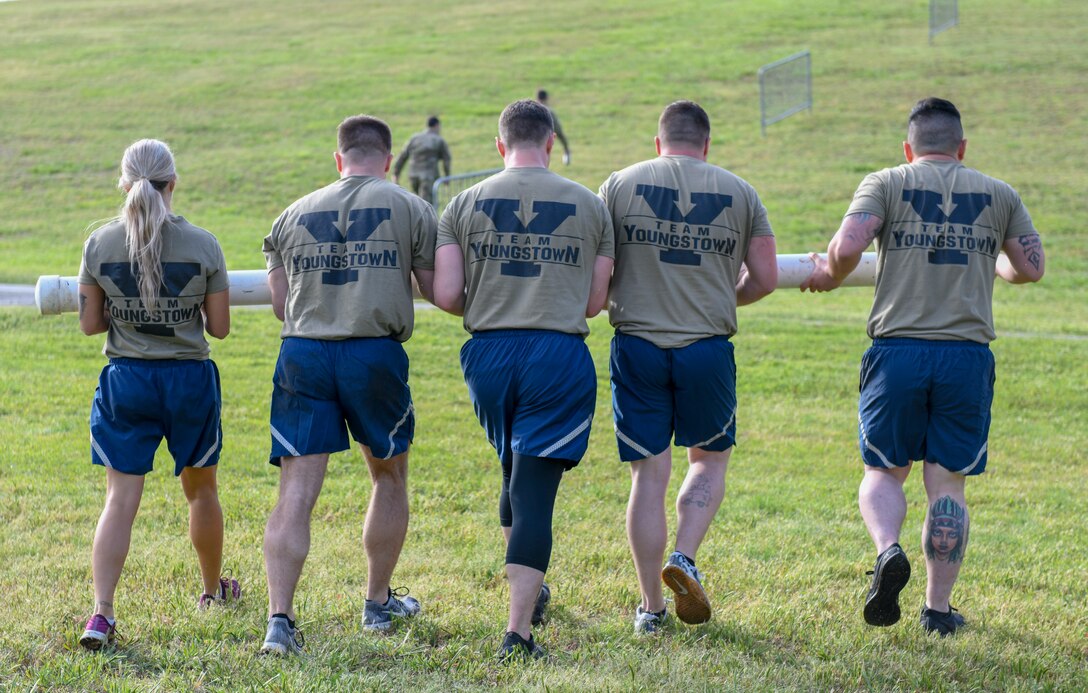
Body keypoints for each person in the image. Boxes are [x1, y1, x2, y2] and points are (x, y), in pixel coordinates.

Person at [801, 97, 1045, 636]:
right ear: (962, 148)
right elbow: (1031, 267)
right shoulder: (998, 192)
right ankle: (937, 610)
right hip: (965, 355)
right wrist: (997, 263)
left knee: (883, 471)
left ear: (908, 147)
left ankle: (888, 550)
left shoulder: (886, 181)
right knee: (948, 486)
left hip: (898, 352)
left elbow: (847, 246)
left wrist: (830, 274)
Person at [433, 99, 613, 659]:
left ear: (499, 144)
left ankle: (529, 595)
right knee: (534, 491)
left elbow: (445, 295)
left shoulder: (462, 203)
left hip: (486, 354)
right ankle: (517, 632)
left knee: (513, 468)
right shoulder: (589, 204)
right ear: (551, 141)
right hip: (555, 353)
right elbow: (597, 300)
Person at [260, 115, 437, 655]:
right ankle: (376, 603)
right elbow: (436, 288)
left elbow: (278, 305)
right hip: (372, 352)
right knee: (388, 476)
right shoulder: (410, 206)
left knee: (296, 492)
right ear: (386, 159)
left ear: (338, 160)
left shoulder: (291, 214)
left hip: (303, 353)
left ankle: (279, 622)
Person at [598, 100, 778, 634]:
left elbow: (599, 268)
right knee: (708, 461)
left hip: (637, 345)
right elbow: (765, 277)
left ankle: (650, 608)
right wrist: (724, 297)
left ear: (659, 142)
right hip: (706, 347)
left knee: (648, 478)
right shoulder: (740, 191)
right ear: (706, 143)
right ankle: (687, 554)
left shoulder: (618, 185)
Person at [77, 138, 239, 651]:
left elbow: (88, 324)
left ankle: (102, 614)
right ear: (174, 184)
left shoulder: (99, 244)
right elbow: (219, 328)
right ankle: (212, 592)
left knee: (120, 499)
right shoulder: (204, 244)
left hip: (127, 380)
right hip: (189, 382)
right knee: (202, 492)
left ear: (124, 185)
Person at [393, 115, 452, 206]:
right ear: (437, 125)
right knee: (427, 205)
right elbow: (447, 160)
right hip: (428, 177)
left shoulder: (414, 138)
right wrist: (447, 176)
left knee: (417, 204)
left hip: (413, 176)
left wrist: (396, 173)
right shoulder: (438, 140)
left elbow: (403, 156)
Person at [536, 90, 571, 166]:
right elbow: (559, 132)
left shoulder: (532, 111)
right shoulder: (549, 112)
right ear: (546, 98)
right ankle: (567, 153)